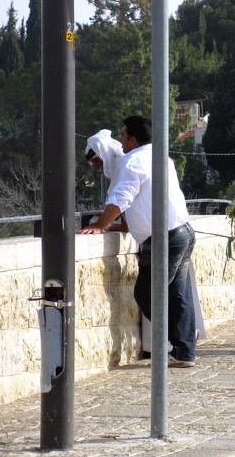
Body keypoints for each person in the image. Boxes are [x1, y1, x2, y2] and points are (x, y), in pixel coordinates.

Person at [78, 116, 197, 367]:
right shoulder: (159, 156)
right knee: (178, 294)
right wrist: (125, 225)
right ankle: (185, 352)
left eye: (124, 136)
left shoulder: (132, 162)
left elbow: (122, 199)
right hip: (183, 232)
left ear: (132, 138)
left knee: (147, 293)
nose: (121, 141)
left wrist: (100, 225)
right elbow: (146, 199)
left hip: (165, 239)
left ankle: (174, 344)